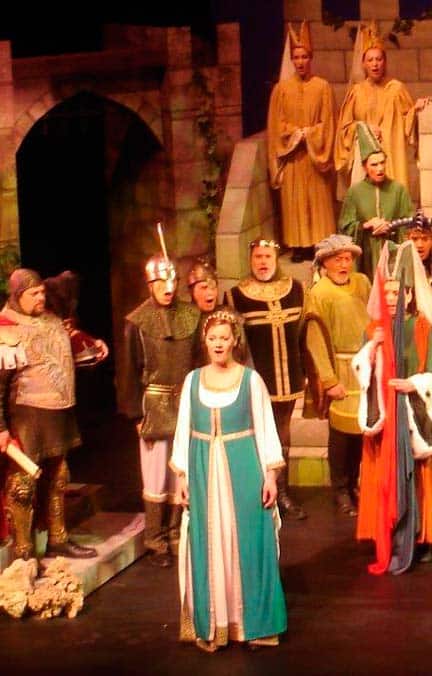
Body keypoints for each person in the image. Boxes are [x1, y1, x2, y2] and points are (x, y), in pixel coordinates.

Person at [170, 308, 287, 652]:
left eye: (224, 337)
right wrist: (182, 476)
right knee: (209, 541)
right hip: (203, 471)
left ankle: (254, 624)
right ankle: (216, 624)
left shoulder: (251, 380)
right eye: (212, 338)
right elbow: (183, 430)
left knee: (248, 542)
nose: (218, 344)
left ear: (235, 340)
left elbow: (266, 427)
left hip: (244, 470)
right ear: (204, 341)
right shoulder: (193, 380)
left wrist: (270, 475)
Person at [0, 268, 106, 560]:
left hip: (58, 414)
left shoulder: (52, 320)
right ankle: (23, 552)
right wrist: (1, 429)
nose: (41, 297)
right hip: (26, 415)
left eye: (42, 292)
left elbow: (62, 356)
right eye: (34, 293)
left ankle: (58, 538)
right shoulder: (5, 328)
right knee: (23, 485)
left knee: (59, 477)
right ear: (18, 295)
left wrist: (90, 348)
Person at [352, 240, 432, 574]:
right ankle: (388, 530)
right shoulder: (374, 330)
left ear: (410, 294)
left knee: (422, 475)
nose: (390, 298)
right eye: (386, 292)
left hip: (417, 410)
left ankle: (423, 536)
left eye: (397, 292)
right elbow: (360, 369)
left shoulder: (424, 327)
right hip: (386, 412)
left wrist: (415, 384)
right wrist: (372, 349)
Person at [123, 252, 200, 568]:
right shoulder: (137, 323)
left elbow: (197, 361)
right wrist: (136, 414)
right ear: (150, 284)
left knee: (180, 471)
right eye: (160, 282)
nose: (168, 288)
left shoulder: (191, 316)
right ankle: (155, 540)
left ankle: (176, 532)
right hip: (154, 406)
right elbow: (128, 372)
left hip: (185, 402)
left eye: (172, 281)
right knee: (156, 475)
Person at [224, 238, 306, 519]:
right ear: (250, 260)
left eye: (267, 256)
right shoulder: (236, 296)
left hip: (290, 378)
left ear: (276, 259)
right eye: (257, 256)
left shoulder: (296, 290)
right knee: (257, 436)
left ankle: (282, 492)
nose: (262, 262)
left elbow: (304, 335)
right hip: (256, 381)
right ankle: (256, 492)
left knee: (283, 434)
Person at [302, 235, 371, 516]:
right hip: (340, 368)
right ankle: (340, 489)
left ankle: (355, 482)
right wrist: (329, 380)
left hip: (365, 365)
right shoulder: (319, 293)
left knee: (361, 430)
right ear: (325, 262)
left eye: (348, 259)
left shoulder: (362, 283)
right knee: (341, 434)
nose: (344, 264)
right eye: (338, 259)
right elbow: (315, 338)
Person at [267, 19, 336, 262]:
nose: (300, 62)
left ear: (310, 58)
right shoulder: (281, 89)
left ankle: (320, 242)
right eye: (296, 57)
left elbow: (329, 121)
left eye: (304, 57)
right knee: (295, 201)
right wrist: (295, 134)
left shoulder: (322, 87)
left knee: (317, 199)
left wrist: (312, 134)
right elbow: (276, 125)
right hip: (294, 156)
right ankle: (298, 245)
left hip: (315, 155)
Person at [335, 20, 430, 192]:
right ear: (363, 64)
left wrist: (416, 110)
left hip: (392, 157)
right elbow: (344, 130)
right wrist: (363, 128)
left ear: (384, 62)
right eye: (370, 60)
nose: (375, 64)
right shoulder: (356, 92)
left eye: (379, 59)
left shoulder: (396, 89)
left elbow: (408, 124)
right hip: (366, 159)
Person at [338, 122, 414, 282]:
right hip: (366, 256)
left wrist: (391, 226)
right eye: (374, 164)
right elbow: (345, 228)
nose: (380, 168)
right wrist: (366, 225)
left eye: (382, 162)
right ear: (365, 167)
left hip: (392, 254)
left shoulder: (398, 189)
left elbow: (409, 223)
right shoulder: (355, 192)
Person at [404, 210, 432, 284]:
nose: (420, 245)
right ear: (406, 240)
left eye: (425, 239)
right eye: (414, 239)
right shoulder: (397, 269)